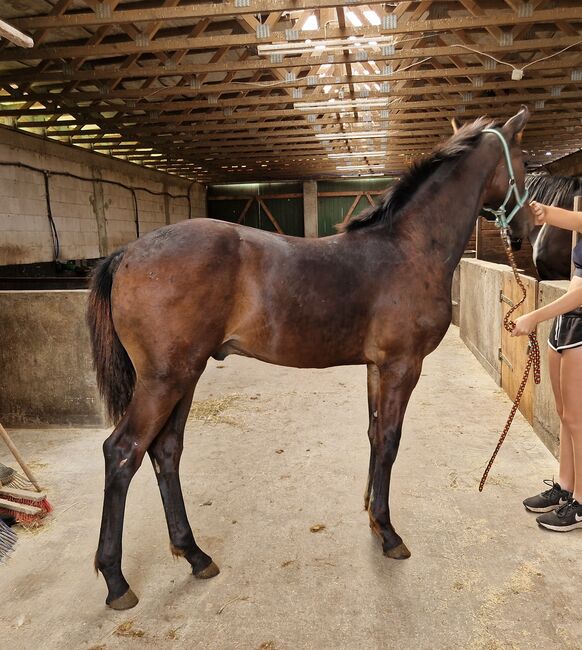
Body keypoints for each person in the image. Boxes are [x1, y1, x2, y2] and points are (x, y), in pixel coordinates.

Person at [512, 200, 582, 532]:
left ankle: (581, 504)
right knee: (564, 413)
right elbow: (570, 217)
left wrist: (535, 316)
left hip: (580, 325)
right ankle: (565, 487)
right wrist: (537, 209)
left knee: (578, 419)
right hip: (565, 326)